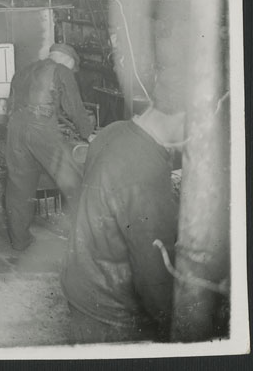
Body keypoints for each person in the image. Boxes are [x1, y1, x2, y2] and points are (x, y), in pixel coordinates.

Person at [61, 99, 185, 343]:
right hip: (112, 311)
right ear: (181, 116)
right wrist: (177, 326)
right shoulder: (145, 171)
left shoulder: (113, 130)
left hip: (81, 283)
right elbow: (155, 275)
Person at [4, 42, 94, 251]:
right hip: (41, 128)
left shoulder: (23, 71)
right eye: (72, 68)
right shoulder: (61, 70)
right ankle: (84, 241)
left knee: (19, 185)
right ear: (68, 60)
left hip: (15, 127)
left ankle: (20, 241)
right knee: (74, 180)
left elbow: (12, 105)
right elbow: (74, 107)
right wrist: (89, 134)